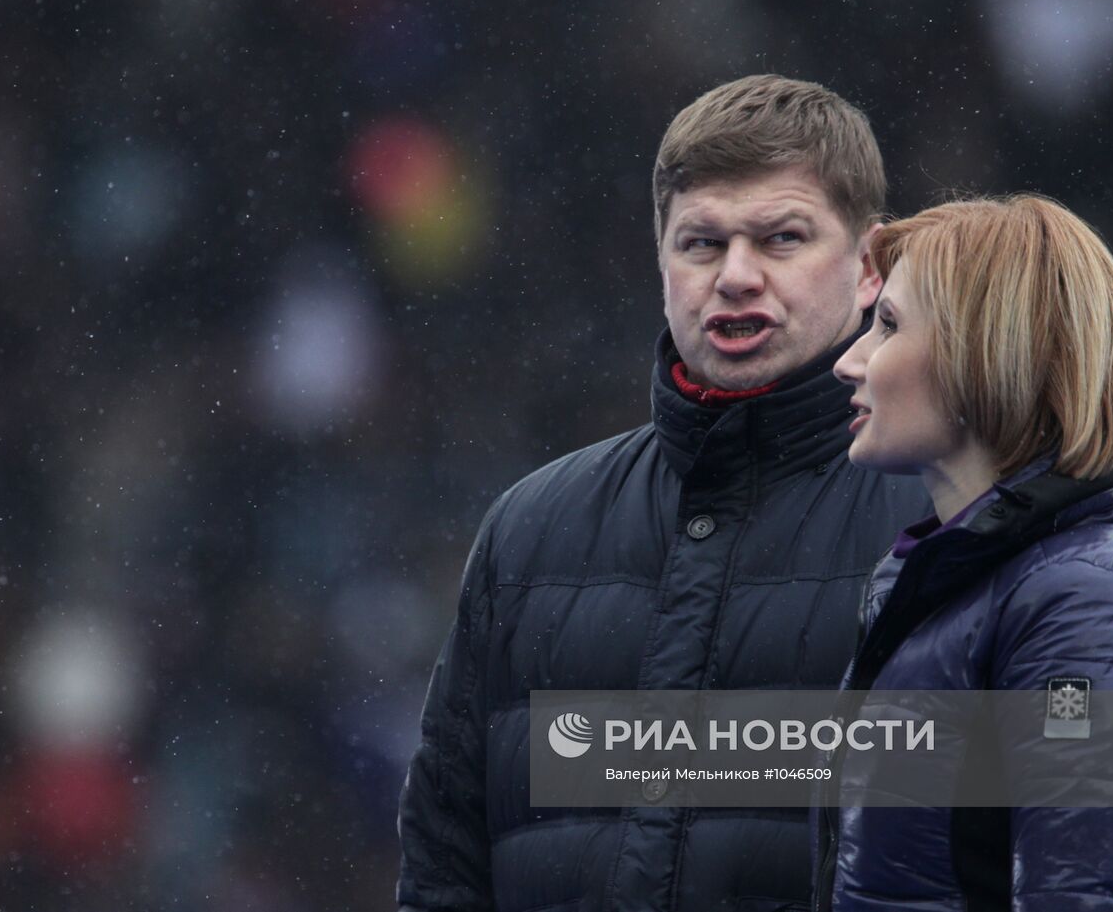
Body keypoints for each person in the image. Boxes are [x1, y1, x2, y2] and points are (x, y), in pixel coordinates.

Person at [396, 75, 931, 912]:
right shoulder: (529, 532)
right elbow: (443, 867)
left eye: (782, 238)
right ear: (661, 259)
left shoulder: (953, 520)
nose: (736, 275)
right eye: (701, 243)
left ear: (870, 269)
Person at [816, 195, 1113, 911]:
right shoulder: (944, 582)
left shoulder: (1083, 604)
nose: (849, 360)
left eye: (889, 324)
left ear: (987, 349)